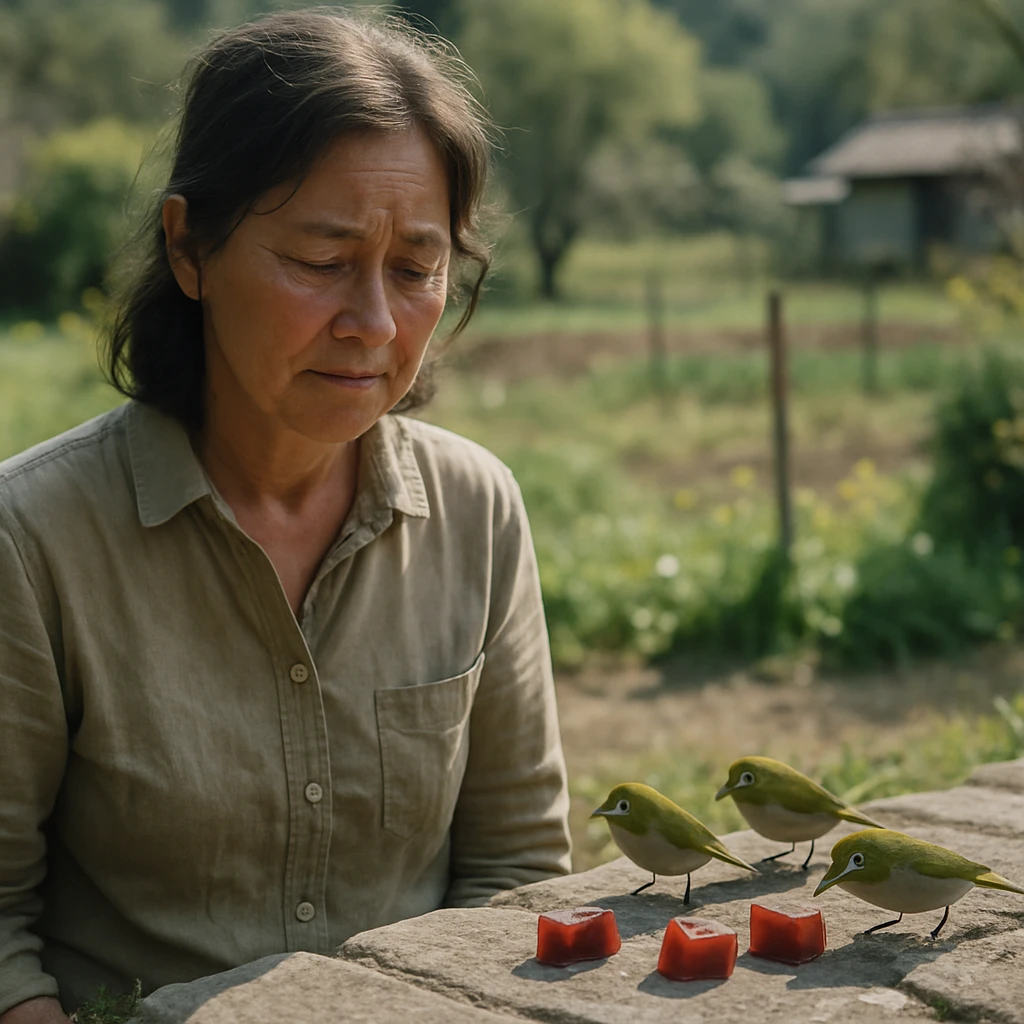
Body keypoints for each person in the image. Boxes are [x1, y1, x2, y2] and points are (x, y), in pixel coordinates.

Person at [0, 10, 572, 1022]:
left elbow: (515, 869)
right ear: (190, 249)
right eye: (320, 259)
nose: (375, 324)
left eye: (415, 268)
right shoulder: (35, 537)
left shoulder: (475, 509)